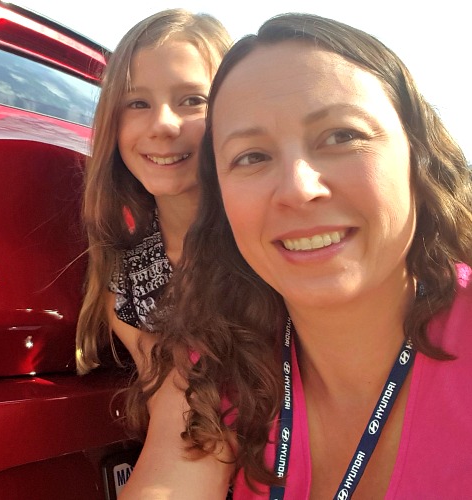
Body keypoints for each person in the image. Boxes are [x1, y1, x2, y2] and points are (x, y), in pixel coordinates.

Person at [122, 12, 472, 499]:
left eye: (342, 136)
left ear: (419, 157)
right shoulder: (221, 362)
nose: (298, 189)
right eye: (252, 156)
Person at [75, 9, 232, 375]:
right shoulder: (123, 277)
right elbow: (170, 406)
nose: (163, 124)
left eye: (193, 100)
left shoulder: (269, 247)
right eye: (137, 103)